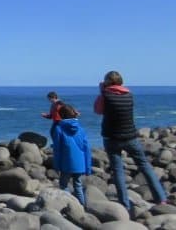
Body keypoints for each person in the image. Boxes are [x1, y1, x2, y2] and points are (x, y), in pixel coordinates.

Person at [94, 70, 168, 210]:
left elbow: (98, 110)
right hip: (130, 136)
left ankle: (124, 203)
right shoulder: (129, 95)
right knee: (144, 165)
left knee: (118, 169)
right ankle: (161, 198)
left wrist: (102, 92)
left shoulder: (105, 95)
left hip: (112, 137)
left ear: (107, 83)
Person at [51, 103, 92, 206]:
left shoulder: (59, 129)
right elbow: (87, 149)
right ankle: (82, 206)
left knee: (63, 185)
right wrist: (88, 168)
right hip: (80, 163)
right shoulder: (81, 129)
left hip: (66, 163)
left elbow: (57, 149)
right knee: (78, 185)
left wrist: (56, 165)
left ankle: (69, 205)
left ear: (61, 115)